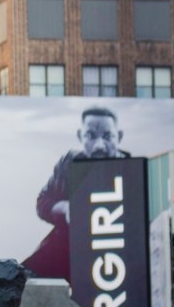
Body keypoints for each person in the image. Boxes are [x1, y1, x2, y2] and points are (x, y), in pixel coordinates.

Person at [22, 106, 129, 281]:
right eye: (91, 136)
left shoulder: (132, 171)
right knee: (25, 281)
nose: (99, 145)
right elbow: (43, 202)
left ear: (119, 136)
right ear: (80, 136)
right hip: (67, 252)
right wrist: (65, 208)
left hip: (115, 259)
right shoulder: (69, 163)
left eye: (107, 136)